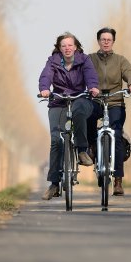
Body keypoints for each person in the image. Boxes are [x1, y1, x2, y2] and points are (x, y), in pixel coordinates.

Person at [39, 32, 100, 201]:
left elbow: (90, 75)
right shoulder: (53, 61)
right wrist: (44, 89)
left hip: (80, 98)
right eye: (63, 45)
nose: (67, 48)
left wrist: (93, 87)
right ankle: (54, 184)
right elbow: (46, 75)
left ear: (76, 47)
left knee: (80, 112)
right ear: (59, 48)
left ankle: (81, 151)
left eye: (70, 45)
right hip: (58, 101)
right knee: (56, 140)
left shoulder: (84, 60)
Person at [87, 26, 131, 196]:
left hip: (115, 102)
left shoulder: (120, 60)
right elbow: (82, 74)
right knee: (88, 118)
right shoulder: (90, 59)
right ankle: (92, 148)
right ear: (98, 41)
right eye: (103, 39)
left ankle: (118, 180)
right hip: (96, 101)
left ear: (113, 42)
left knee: (116, 135)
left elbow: (130, 73)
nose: (106, 42)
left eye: (109, 40)